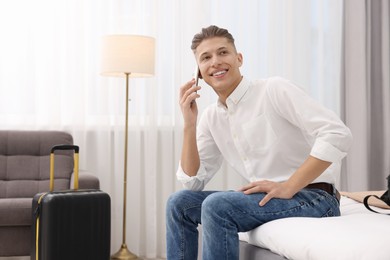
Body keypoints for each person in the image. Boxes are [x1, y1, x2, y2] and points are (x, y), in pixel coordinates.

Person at [166, 25, 352, 260]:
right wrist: (189, 124)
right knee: (179, 203)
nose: (215, 61)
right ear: (199, 73)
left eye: (223, 53)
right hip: (269, 198)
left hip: (314, 198)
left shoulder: (273, 89)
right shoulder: (211, 117)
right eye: (206, 57)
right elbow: (192, 183)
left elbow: (337, 133)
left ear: (239, 58)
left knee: (217, 205)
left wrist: (288, 186)